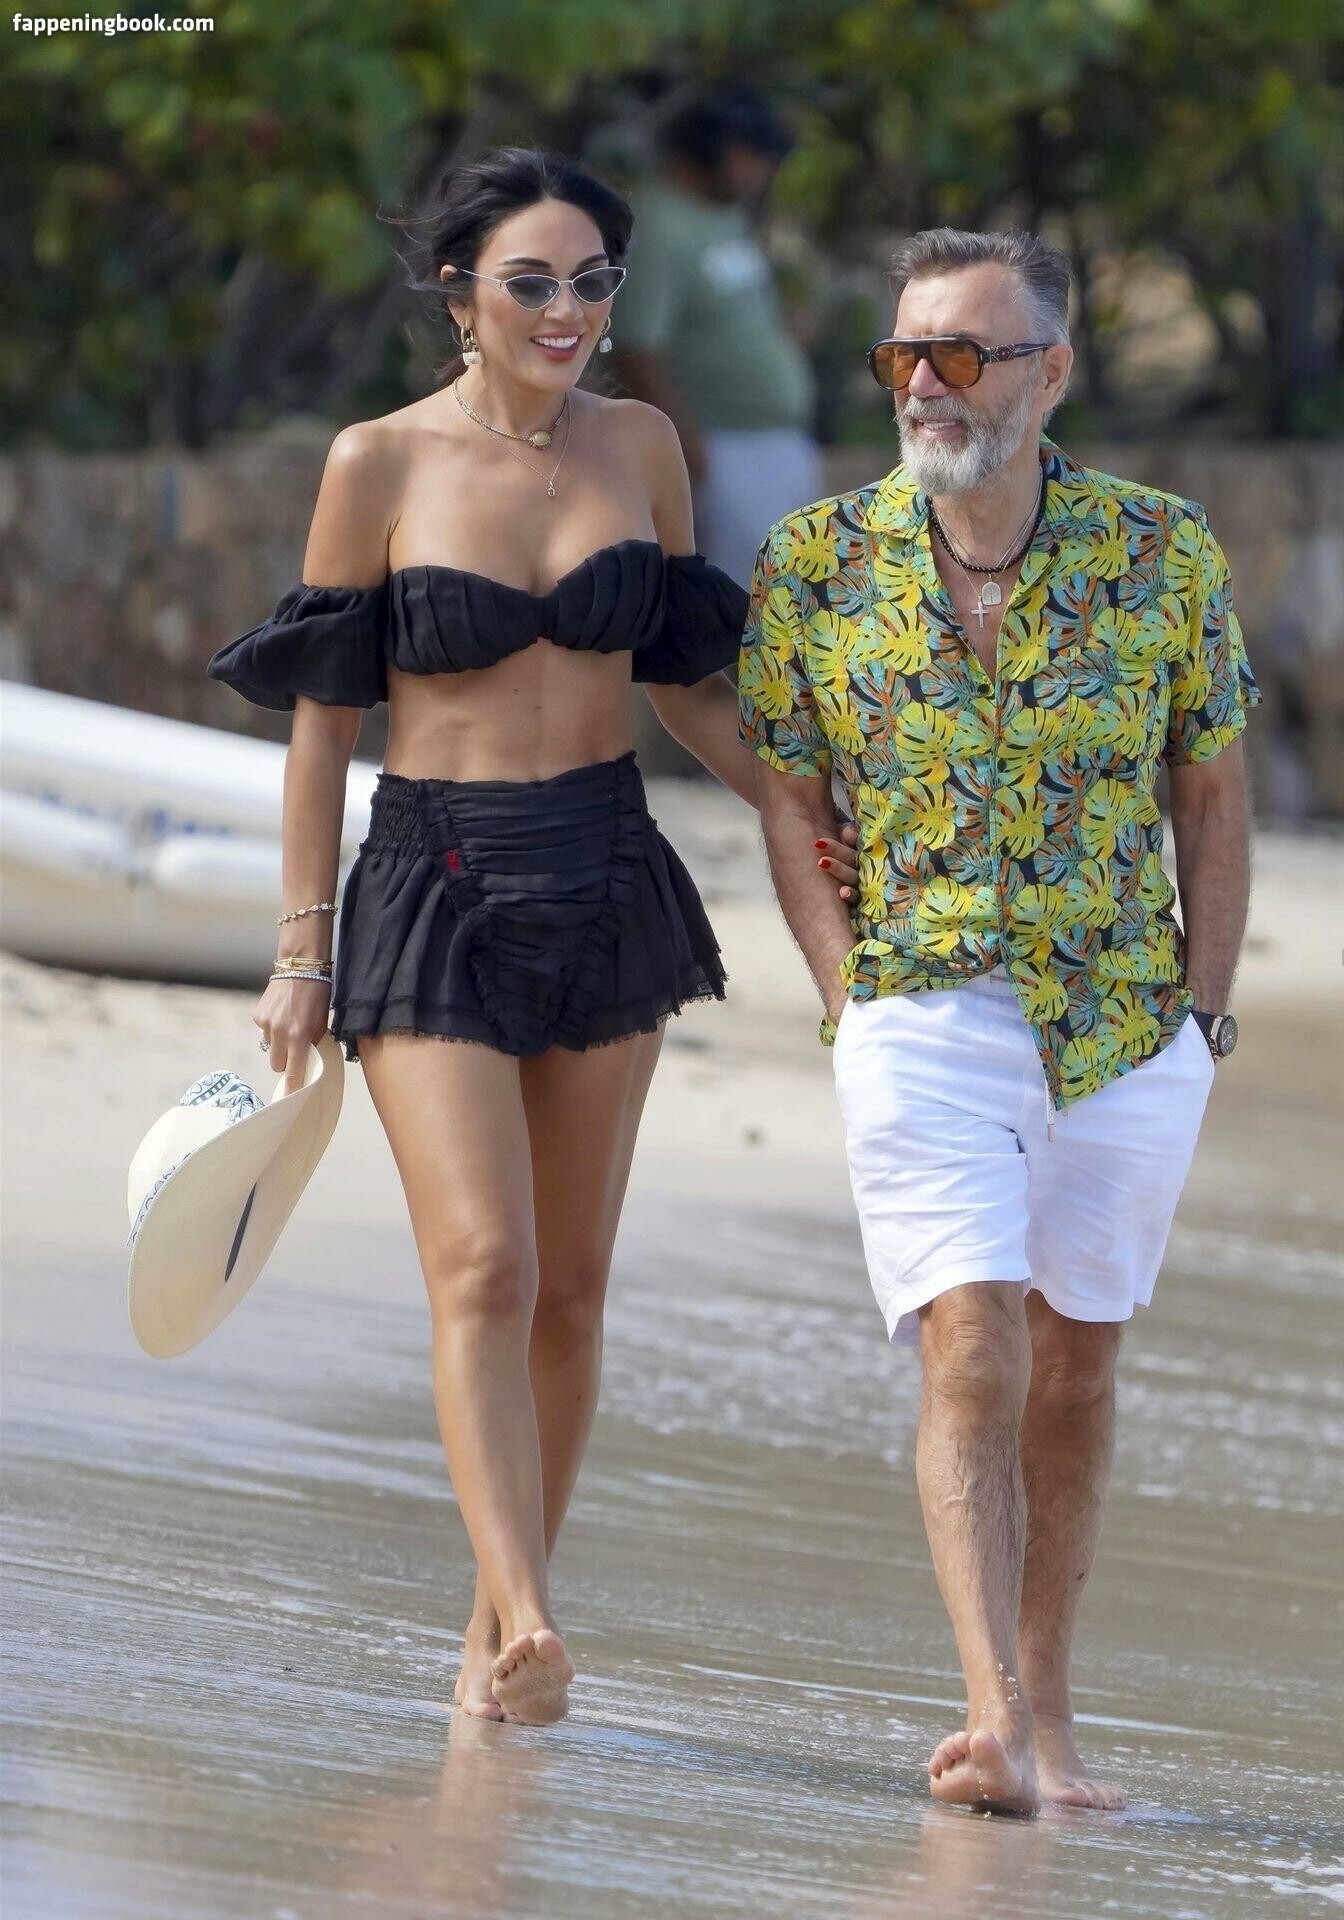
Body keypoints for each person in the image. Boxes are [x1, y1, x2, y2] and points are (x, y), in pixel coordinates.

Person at [206, 148, 858, 1728]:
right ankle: (530, 1614)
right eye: (531, 283)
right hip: (431, 880)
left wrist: (812, 807)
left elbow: (683, 685)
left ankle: (487, 1643)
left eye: (591, 282)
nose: (567, 311)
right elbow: (321, 726)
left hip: (606, 871)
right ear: (460, 294)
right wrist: (300, 948)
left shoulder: (640, 444)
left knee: (569, 1288)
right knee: (483, 1268)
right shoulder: (376, 461)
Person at [740, 226, 1261, 1814]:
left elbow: (1209, 795)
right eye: (903, 353)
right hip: (915, 1008)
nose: (924, 384)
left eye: (960, 354)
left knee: (1073, 1371)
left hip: (1124, 1024)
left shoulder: (1161, 553)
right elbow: (786, 793)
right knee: (969, 1342)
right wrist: (843, 991)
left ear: (1049, 373)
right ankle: (994, 1721)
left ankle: (1049, 1698)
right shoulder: (815, 562)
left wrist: (1202, 1021)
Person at [608, 84, 821, 589]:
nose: (763, 167)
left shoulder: (723, 217)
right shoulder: (660, 223)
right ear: (707, 146)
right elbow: (636, 347)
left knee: (799, 605)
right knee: (742, 608)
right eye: (750, 152)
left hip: (777, 442)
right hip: (721, 449)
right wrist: (688, 449)